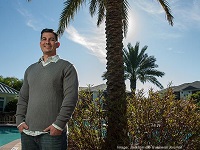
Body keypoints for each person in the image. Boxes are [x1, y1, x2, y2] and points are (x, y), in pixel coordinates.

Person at [16, 28, 79, 150]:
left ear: (57, 44)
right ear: (40, 43)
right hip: (28, 134)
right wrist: (19, 121)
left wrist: (59, 125)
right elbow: (23, 98)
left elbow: (70, 97)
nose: (47, 42)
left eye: (51, 39)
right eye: (44, 39)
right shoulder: (30, 70)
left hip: (52, 135)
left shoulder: (66, 67)